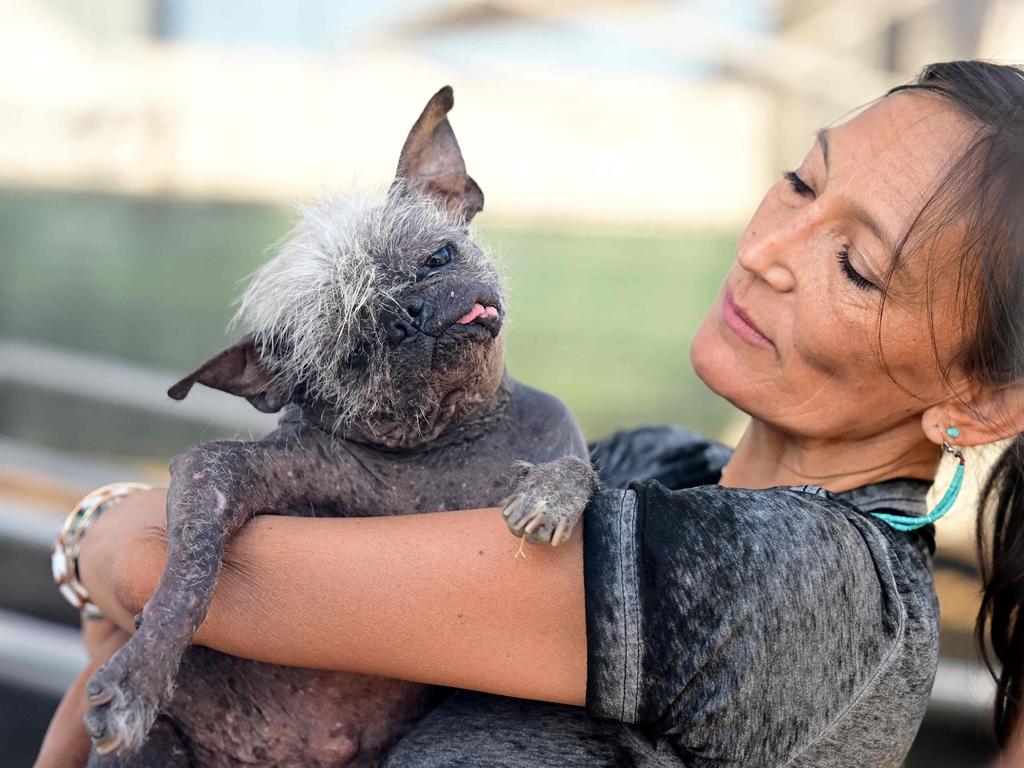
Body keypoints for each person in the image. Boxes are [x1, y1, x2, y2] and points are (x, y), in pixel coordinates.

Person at [35, 59, 1024, 767]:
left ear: (978, 403)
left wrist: (93, 530)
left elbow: (144, 567)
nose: (770, 248)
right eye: (801, 180)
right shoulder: (647, 463)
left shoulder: (806, 590)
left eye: (856, 264)